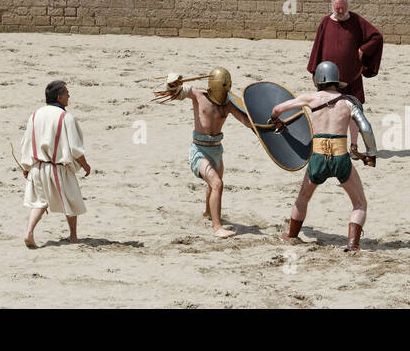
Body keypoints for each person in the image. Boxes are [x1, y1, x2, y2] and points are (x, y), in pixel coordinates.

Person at [273, 61, 374, 253]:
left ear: (317, 79)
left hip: (317, 157)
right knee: (359, 203)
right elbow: (365, 128)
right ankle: (353, 245)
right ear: (336, 80)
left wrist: (276, 121)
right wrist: (366, 152)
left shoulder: (311, 98)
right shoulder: (348, 102)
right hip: (340, 157)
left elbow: (277, 109)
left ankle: (292, 235)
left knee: (303, 197)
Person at [154, 67, 254, 238]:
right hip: (199, 151)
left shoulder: (228, 103)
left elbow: (247, 121)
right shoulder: (198, 95)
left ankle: (208, 213)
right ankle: (217, 227)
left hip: (216, 150)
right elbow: (173, 91)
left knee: (212, 185)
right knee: (217, 184)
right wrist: (172, 81)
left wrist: (265, 122)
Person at [18, 80, 90, 248]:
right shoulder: (66, 117)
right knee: (71, 200)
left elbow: (26, 142)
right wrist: (85, 165)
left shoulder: (34, 115)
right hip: (58, 168)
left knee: (40, 202)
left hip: (37, 167)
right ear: (59, 97)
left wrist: (26, 166)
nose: (69, 96)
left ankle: (29, 232)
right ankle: (73, 236)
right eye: (66, 93)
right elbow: (75, 148)